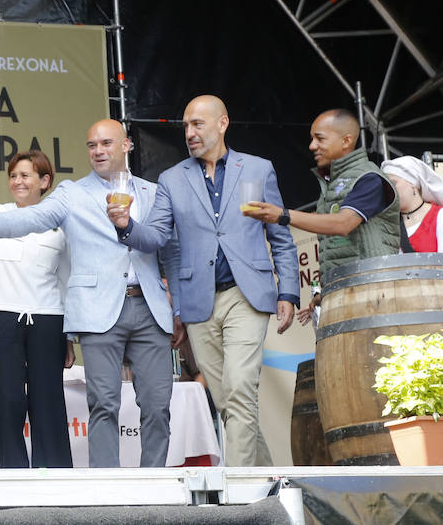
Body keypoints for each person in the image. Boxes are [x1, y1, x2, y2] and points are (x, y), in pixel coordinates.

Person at [0, 119, 176, 468]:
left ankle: (155, 485)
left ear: (126, 146)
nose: (98, 150)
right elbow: (33, 217)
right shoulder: (71, 193)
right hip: (98, 309)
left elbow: (171, 249)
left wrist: (176, 306)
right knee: (103, 404)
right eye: (92, 145)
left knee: (157, 405)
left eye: (107, 143)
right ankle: (106, 493)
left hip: (150, 307)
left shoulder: (154, 192)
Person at [109, 96, 298, 467]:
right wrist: (126, 226)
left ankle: (239, 492)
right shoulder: (172, 178)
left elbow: (281, 237)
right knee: (229, 400)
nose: (189, 133)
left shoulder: (258, 169)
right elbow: (157, 237)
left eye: (197, 124)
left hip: (248, 295)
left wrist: (289, 290)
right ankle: (266, 481)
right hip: (199, 301)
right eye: (185, 127)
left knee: (241, 388)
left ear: (222, 123)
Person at [0, 150, 74, 469]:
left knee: (47, 403)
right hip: (2, 318)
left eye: (25, 175)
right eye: (13, 175)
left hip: (48, 320)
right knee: (5, 402)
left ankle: (55, 479)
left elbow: (65, 282)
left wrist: (70, 338)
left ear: (45, 181)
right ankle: (14, 477)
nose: (17, 181)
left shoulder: (61, 226)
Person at [246, 109, 400, 275]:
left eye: (320, 138)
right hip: (345, 288)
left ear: (346, 141)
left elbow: (343, 224)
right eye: (312, 139)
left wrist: (283, 215)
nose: (312, 146)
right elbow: (333, 249)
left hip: (373, 286)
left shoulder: (369, 178)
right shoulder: (331, 183)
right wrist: (326, 286)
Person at [381, 155, 443, 253]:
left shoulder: (440, 216)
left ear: (413, 183)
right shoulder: (387, 224)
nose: (389, 190)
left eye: (393, 183)